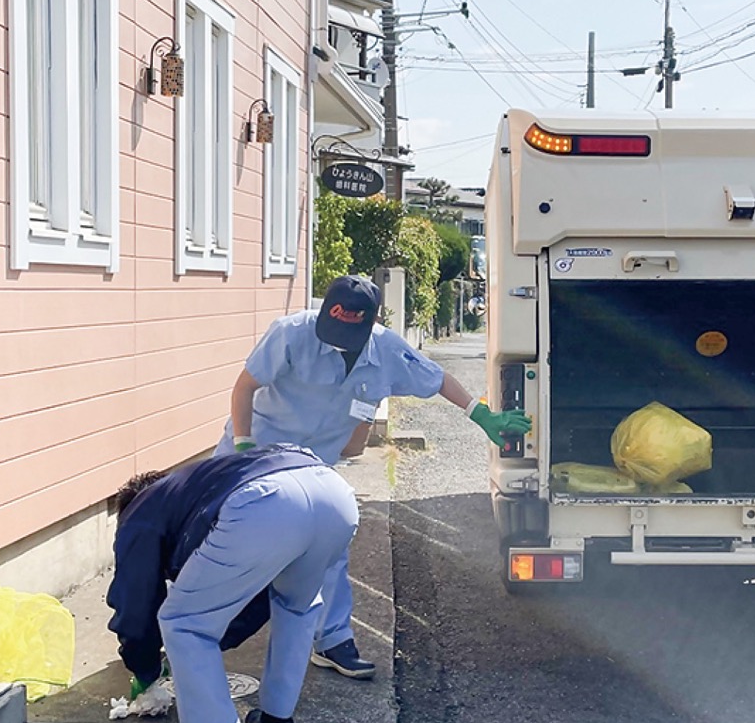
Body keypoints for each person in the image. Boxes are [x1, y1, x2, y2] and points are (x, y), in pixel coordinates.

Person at [214, 275, 531, 680]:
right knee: (227, 541)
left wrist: (480, 413)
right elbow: (245, 387)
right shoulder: (291, 333)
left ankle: (332, 641)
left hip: (313, 464)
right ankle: (191, 627)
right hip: (256, 452)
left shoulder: (386, 349)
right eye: (334, 327)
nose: (339, 338)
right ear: (326, 310)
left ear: (370, 323)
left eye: (351, 330)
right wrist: (242, 444)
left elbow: (437, 380)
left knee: (328, 543)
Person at [106, 444, 359, 723]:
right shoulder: (195, 487)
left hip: (266, 502)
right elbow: (252, 595)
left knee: (185, 624)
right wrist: (218, 636)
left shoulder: (140, 511)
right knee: (296, 608)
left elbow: (135, 599)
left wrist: (145, 668)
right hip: (334, 494)